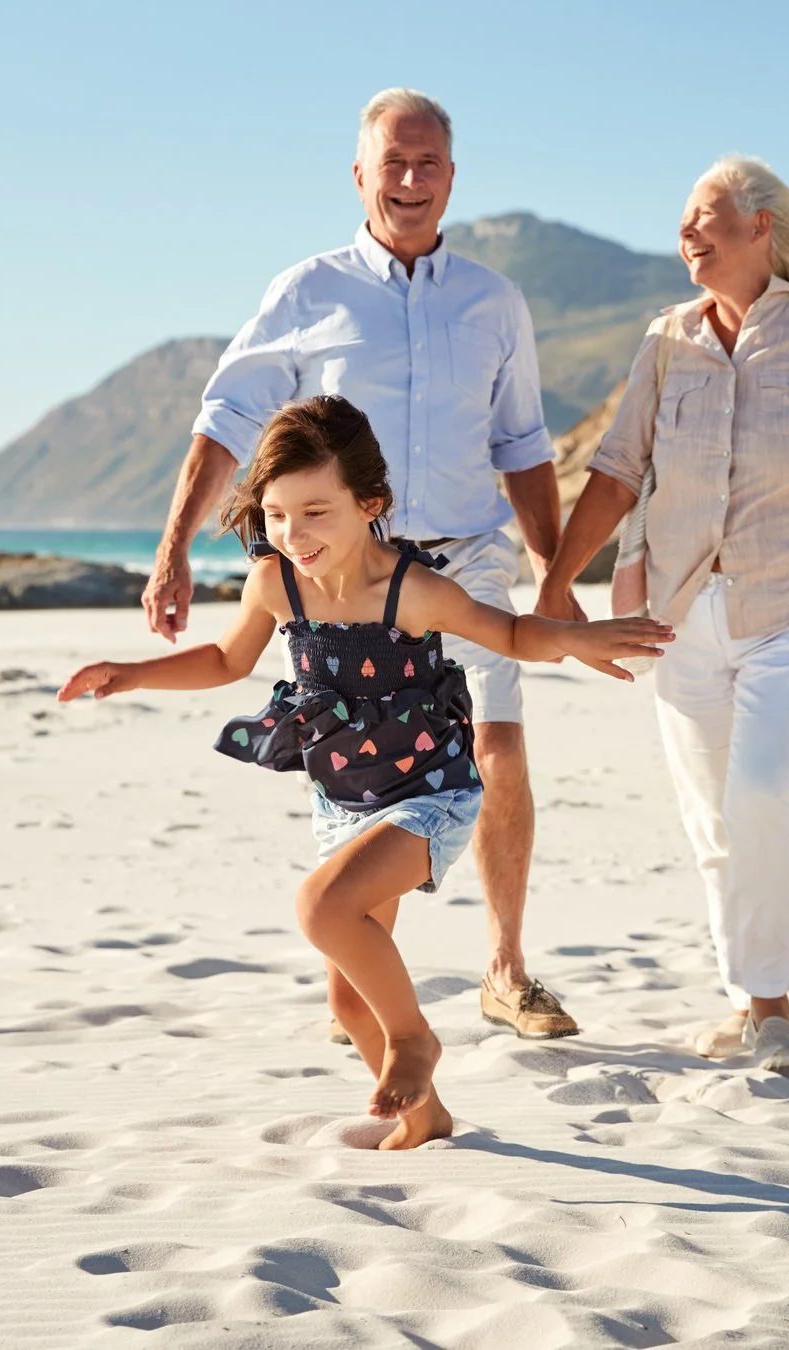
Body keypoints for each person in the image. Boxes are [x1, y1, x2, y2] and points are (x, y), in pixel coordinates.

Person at [64, 398, 671, 1148]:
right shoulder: (275, 583)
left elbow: (509, 631)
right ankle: (428, 1117)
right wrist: (128, 673)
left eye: (316, 511)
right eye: (278, 514)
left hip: (430, 796)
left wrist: (576, 639)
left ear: (369, 504)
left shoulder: (410, 589)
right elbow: (226, 661)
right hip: (343, 801)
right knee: (352, 1006)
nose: (294, 534)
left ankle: (416, 1044)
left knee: (321, 907)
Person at [141, 88, 586, 1039]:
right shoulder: (307, 291)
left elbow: (522, 446)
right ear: (360, 174)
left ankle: (505, 968)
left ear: (453, 176)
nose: (412, 180)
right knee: (361, 763)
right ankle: (363, 954)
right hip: (348, 575)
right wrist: (172, 546)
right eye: (394, 163)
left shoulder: (493, 301)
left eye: (429, 163)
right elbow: (224, 418)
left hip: (461, 560)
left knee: (498, 741)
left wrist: (554, 573)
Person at [534, 155, 789, 1074]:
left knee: (758, 794)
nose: (687, 234)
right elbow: (616, 471)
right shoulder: (666, 342)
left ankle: (773, 1010)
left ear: (759, 229)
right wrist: (556, 584)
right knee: (711, 818)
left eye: (705, 217)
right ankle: (743, 998)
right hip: (681, 608)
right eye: (683, 220)